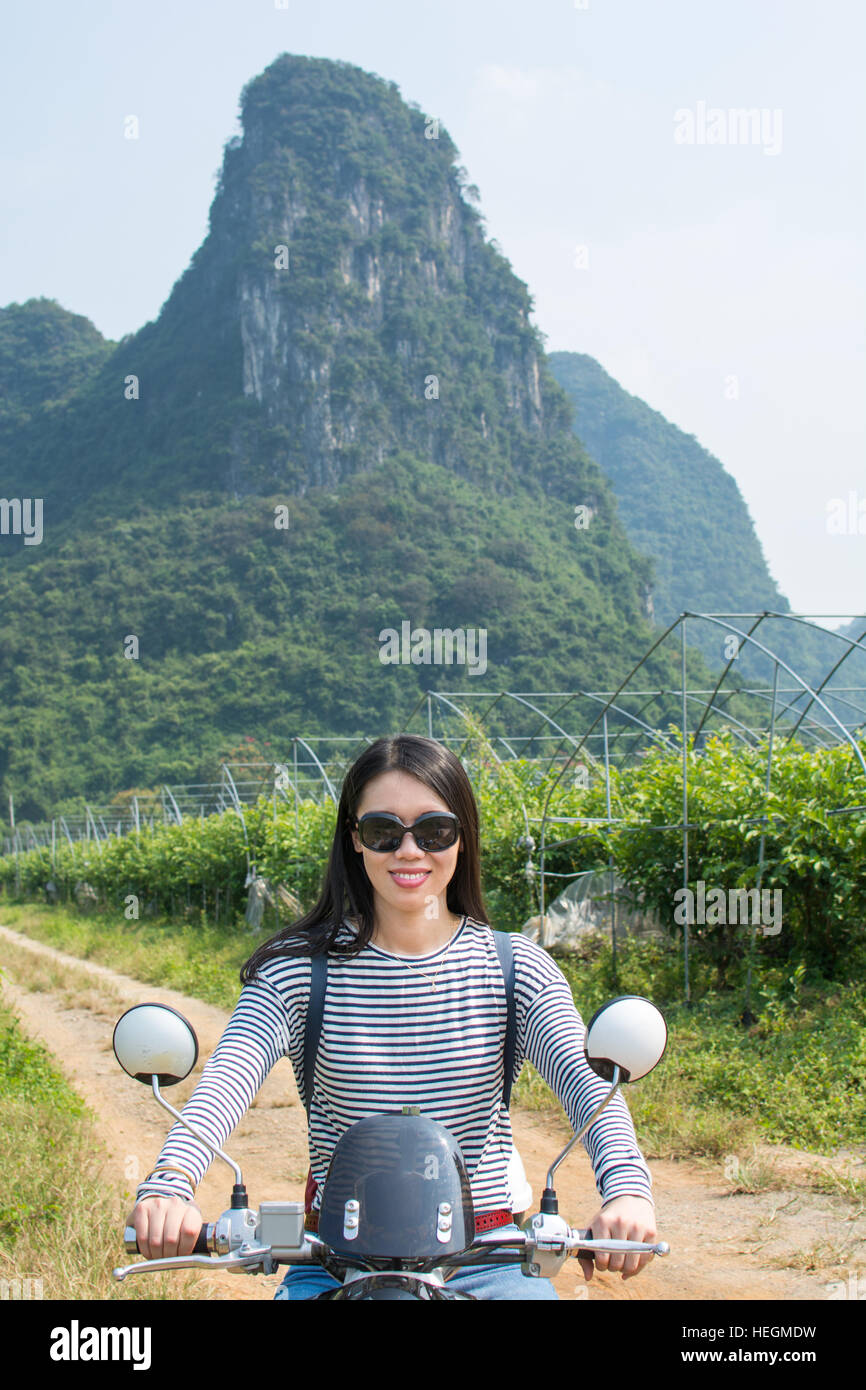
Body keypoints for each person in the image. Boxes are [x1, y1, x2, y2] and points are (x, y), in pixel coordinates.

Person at [129, 734, 658, 1300]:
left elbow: (586, 1085)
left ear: (462, 837)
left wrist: (627, 1191)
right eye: (384, 831)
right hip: (335, 1255)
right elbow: (228, 1079)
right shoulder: (297, 973)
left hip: (486, 1252)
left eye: (434, 831)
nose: (410, 851)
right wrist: (170, 1184)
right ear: (355, 840)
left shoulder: (514, 968)